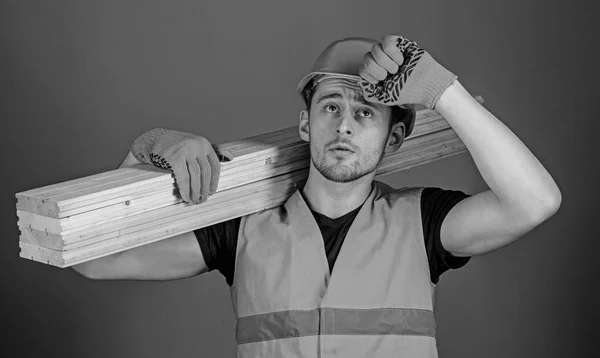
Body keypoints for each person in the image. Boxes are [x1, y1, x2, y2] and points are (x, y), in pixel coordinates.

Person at [73, 35, 562, 357]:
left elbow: (535, 202)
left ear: (393, 139)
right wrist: (147, 151)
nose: (345, 124)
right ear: (307, 123)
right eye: (331, 106)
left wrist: (442, 91)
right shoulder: (241, 227)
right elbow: (95, 260)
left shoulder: (424, 222)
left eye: (367, 112)